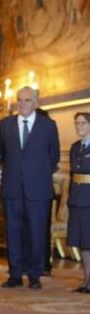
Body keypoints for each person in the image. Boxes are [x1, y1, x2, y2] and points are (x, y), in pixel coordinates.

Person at [0, 86, 60, 289]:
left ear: (36, 103)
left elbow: (54, 157)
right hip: (12, 187)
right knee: (13, 232)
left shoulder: (49, 125)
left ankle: (35, 275)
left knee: (37, 232)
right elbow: (2, 154)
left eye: (27, 100)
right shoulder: (5, 124)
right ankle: (15, 274)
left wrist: (35, 174)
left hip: (38, 189)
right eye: (20, 100)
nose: (22, 104)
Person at [68, 112, 90, 293]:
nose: (79, 127)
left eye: (82, 123)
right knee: (83, 241)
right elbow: (71, 175)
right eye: (77, 124)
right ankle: (86, 279)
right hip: (77, 199)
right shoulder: (76, 147)